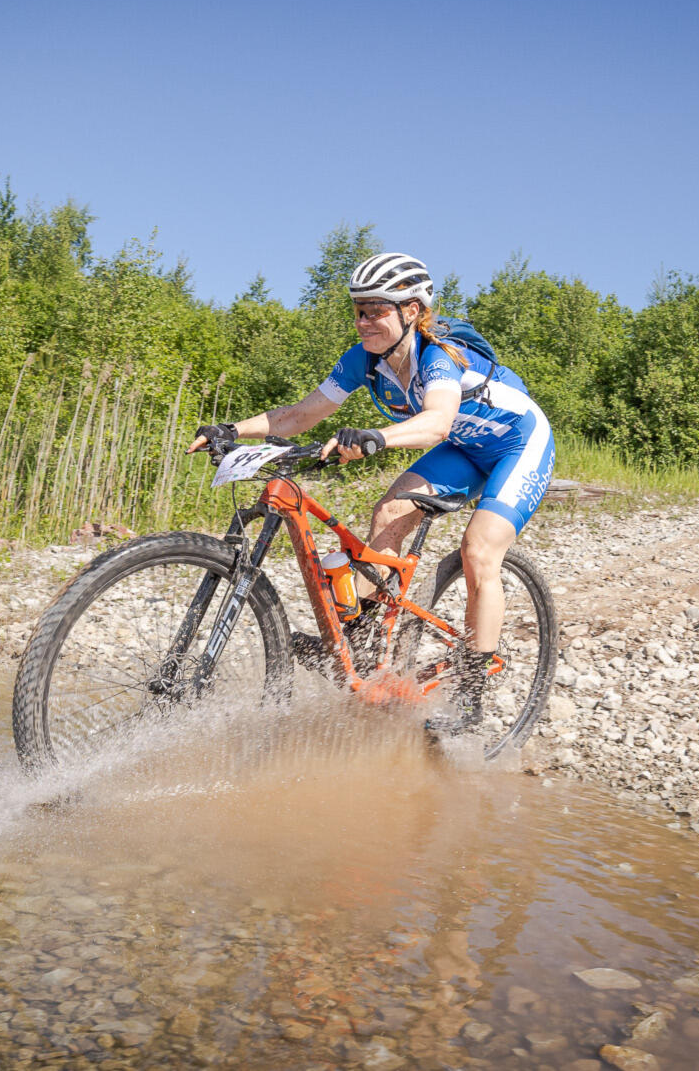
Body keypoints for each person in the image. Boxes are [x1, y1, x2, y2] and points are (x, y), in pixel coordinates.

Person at [187, 252, 555, 736]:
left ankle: (470, 694)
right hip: (464, 449)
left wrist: (377, 437)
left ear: (411, 311)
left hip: (518, 443)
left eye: (376, 310)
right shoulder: (363, 360)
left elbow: (437, 422)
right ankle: (360, 641)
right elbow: (299, 415)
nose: (363, 321)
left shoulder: (437, 355)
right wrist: (232, 429)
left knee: (479, 550)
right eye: (359, 310)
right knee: (390, 511)